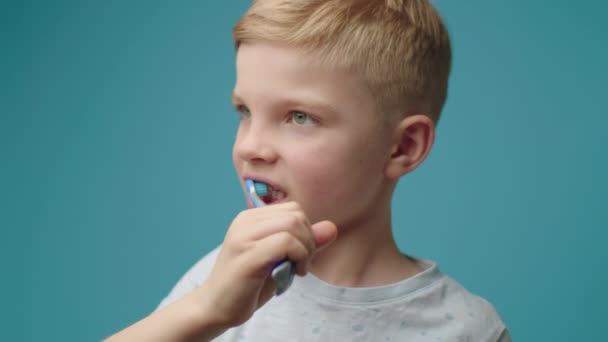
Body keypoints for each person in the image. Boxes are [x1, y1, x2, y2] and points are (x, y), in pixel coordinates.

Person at [107, 0, 510, 340]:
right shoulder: (219, 282)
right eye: (244, 111)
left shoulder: (468, 329)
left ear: (403, 147)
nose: (250, 147)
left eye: (300, 117)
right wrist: (207, 309)